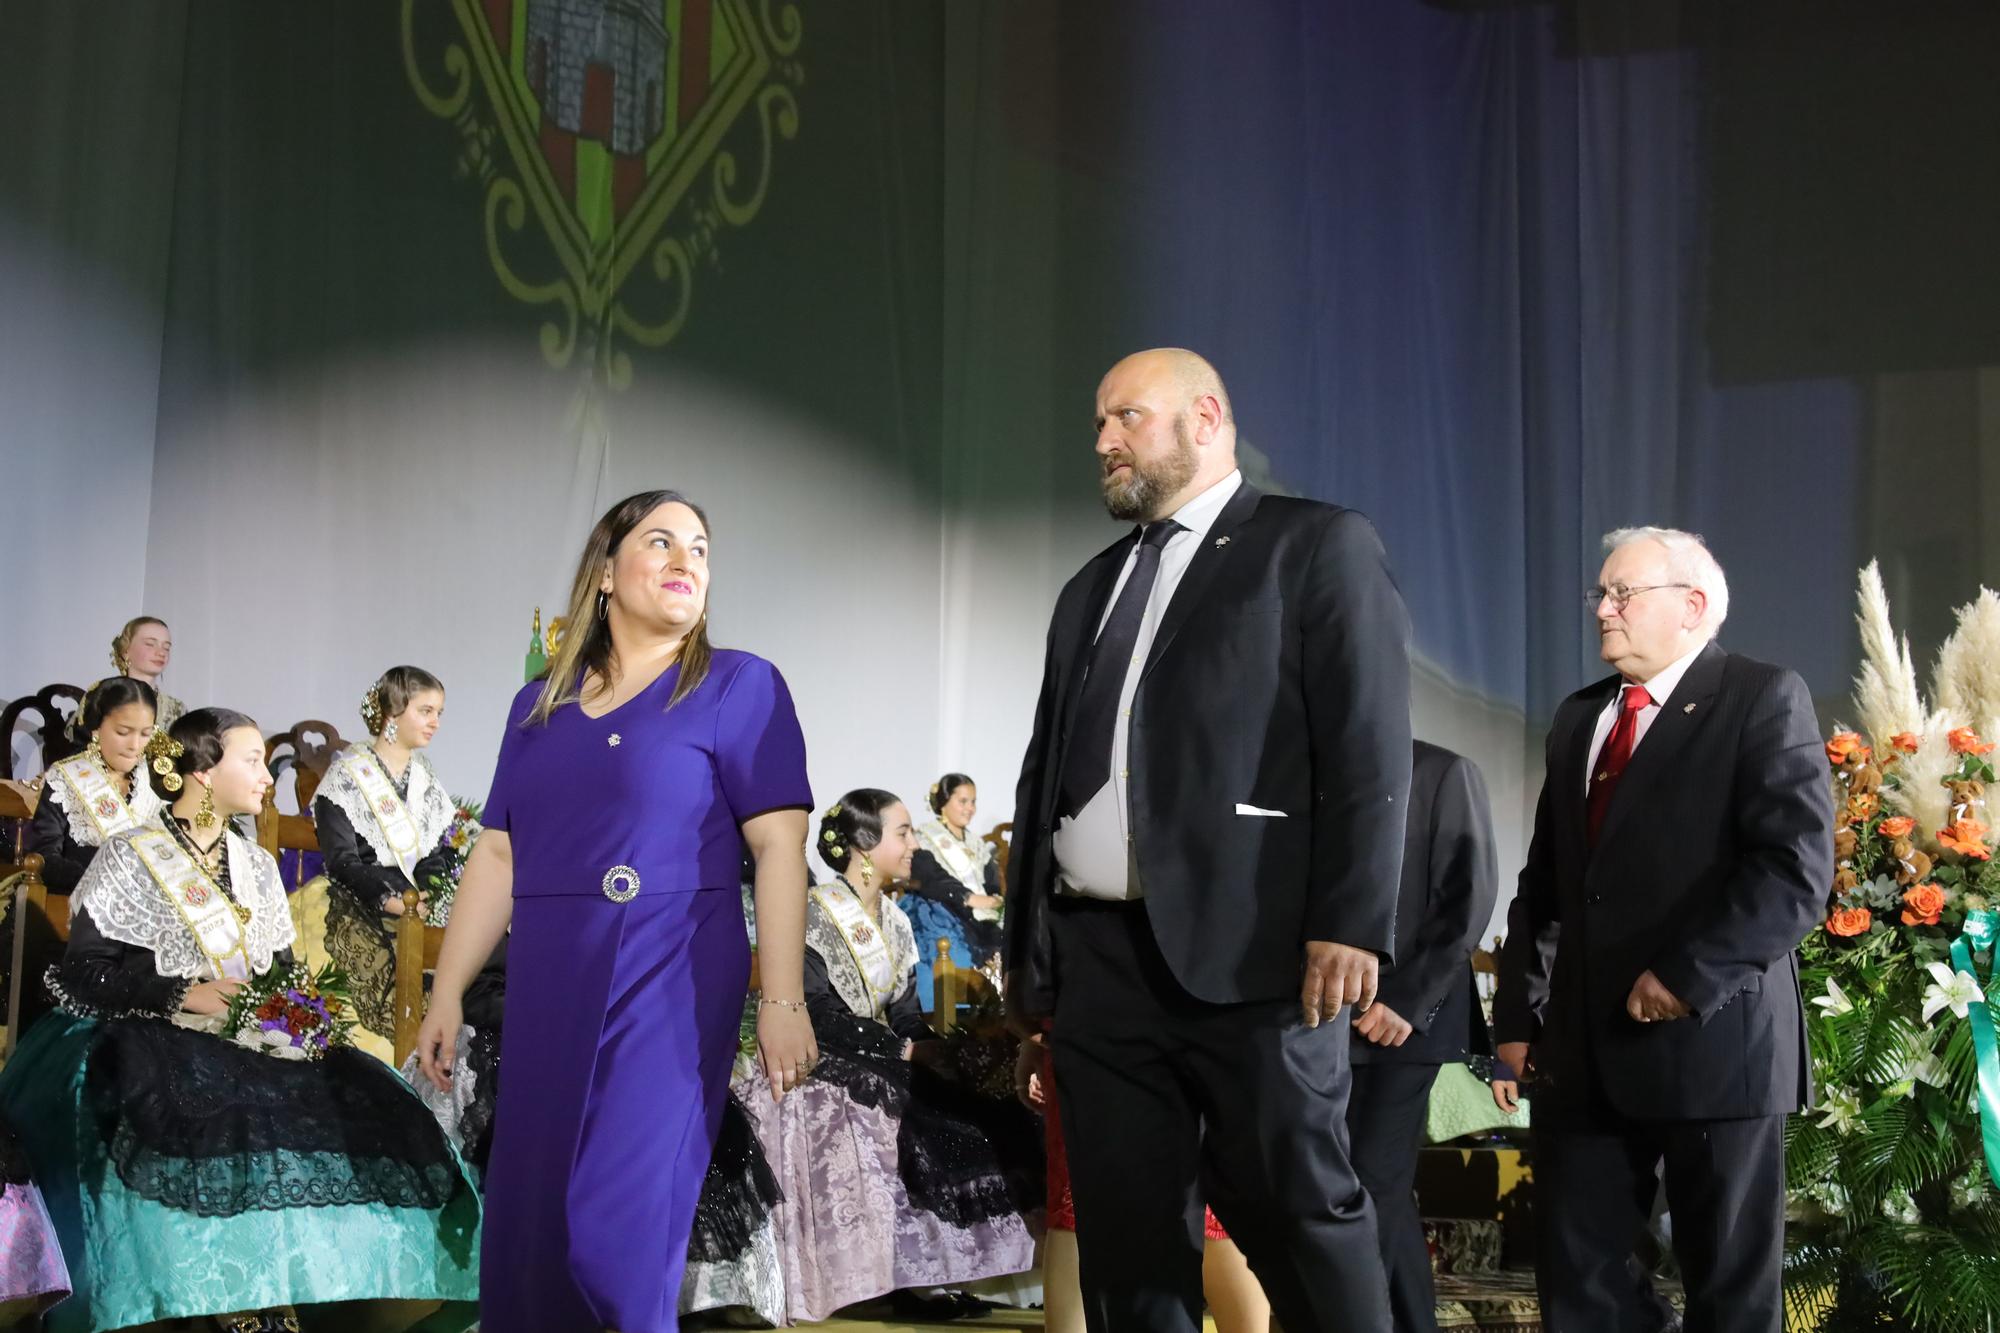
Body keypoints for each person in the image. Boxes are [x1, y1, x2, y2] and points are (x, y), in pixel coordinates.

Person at [1005, 348, 1413, 1332]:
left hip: (1259, 956)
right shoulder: (1088, 589)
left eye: (1125, 418)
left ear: (1204, 416)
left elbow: (1363, 747)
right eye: (1097, 423)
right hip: (1099, 966)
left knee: (1302, 1214)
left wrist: (1348, 920)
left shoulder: (1312, 545)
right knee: (1125, 1243)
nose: (1102, 441)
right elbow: (1043, 773)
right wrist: (1030, 973)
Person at [414, 489, 817, 1333]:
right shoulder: (537, 707)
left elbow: (780, 849)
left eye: (701, 548)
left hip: (670, 974)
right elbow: (497, 853)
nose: (686, 561)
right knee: (533, 1228)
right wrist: (447, 989)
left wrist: (780, 998)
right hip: (549, 975)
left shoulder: (741, 685)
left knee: (615, 1232)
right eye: (662, 541)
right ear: (604, 572)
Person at [0, 708, 480, 1333]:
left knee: (359, 1088)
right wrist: (184, 995)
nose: (265, 775)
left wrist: (298, 1013)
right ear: (201, 770)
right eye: (251, 760)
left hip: (251, 1033)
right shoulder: (128, 854)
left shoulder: (255, 864)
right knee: (189, 1097)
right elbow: (85, 973)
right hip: (149, 1030)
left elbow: (277, 969)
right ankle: (222, 1299)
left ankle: (327, 1286)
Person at [1491, 527, 1833, 1333]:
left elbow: (1794, 869)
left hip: (1717, 1046)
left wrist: (1685, 976)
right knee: (1581, 1287)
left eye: (1622, 594)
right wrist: (1516, 1015)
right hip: (1581, 1055)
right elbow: (1547, 883)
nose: (1602, 610)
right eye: (1600, 595)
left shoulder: (1760, 696)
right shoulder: (1580, 719)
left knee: (1729, 1290)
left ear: (1693, 606)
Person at [727, 788, 1036, 1324]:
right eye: (904, 832)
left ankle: (945, 1270)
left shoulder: (896, 922)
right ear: (864, 845)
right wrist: (901, 1048)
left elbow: (908, 1013)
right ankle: (886, 1277)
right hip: (820, 1054)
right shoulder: (815, 912)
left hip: (880, 1051)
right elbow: (816, 1012)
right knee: (899, 1105)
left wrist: (940, 1048)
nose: (916, 843)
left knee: (980, 1107)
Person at [1348, 741, 1499, 1333]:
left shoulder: (1444, 771)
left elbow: (1469, 898)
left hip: (1406, 1022)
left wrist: (1408, 1001)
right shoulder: (1307, 770)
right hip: (1320, 1021)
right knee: (1377, 1189)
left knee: (1369, 1184)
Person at [312, 666, 455, 1039]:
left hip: (420, 906)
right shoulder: (345, 778)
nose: (435, 722)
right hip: (364, 906)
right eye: (426, 711)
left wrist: (431, 892)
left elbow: (439, 852)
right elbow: (343, 863)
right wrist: (397, 901)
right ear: (392, 712)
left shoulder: (425, 779)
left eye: (439, 712)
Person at [28, 677, 163, 894]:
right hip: (81, 904)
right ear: (96, 728)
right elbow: (43, 858)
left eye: (145, 734)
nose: (135, 745)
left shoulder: (158, 781)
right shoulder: (67, 778)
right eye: (123, 732)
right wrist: (106, 881)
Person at [903, 773, 1005, 1006]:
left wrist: (994, 899)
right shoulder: (926, 836)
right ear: (944, 802)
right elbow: (930, 877)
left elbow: (990, 881)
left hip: (978, 916)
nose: (970, 808)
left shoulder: (975, 842)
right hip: (943, 910)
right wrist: (968, 897)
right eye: (963, 801)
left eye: (973, 802)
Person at [108, 617, 183, 729]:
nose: (161, 653)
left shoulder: (176, 709)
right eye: (150, 644)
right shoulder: (104, 697)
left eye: (166, 648)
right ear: (126, 651)